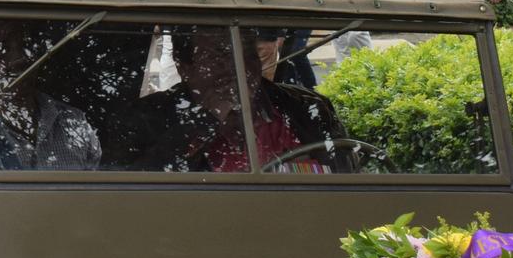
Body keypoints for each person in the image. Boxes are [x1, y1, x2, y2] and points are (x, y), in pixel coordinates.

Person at [110, 28, 352, 174]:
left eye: (246, 52)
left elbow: (347, 180)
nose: (237, 66)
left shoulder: (305, 109)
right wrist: (209, 119)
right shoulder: (149, 119)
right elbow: (136, 191)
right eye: (219, 55)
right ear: (184, 67)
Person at [0, 19, 101, 170]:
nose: (18, 59)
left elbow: (94, 191)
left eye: (26, 45)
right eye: (1, 47)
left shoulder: (75, 122)